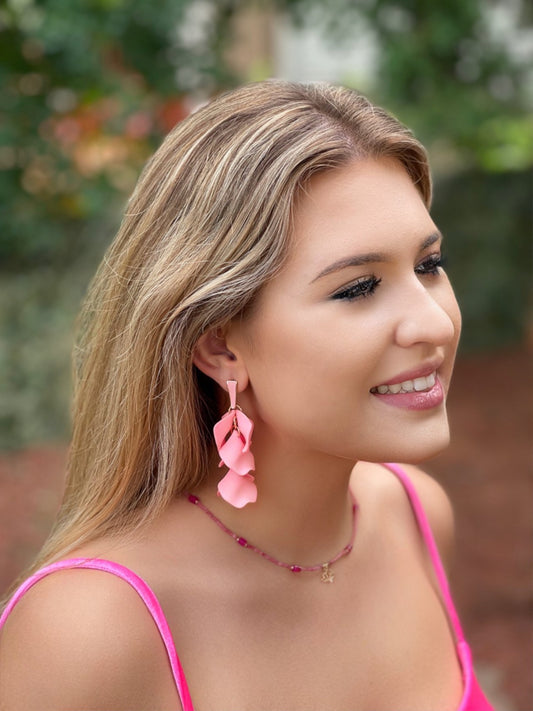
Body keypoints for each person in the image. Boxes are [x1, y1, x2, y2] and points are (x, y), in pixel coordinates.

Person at [0, 80, 493, 710]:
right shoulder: (91, 632)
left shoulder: (416, 517)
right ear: (220, 347)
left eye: (428, 265)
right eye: (357, 288)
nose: (434, 323)